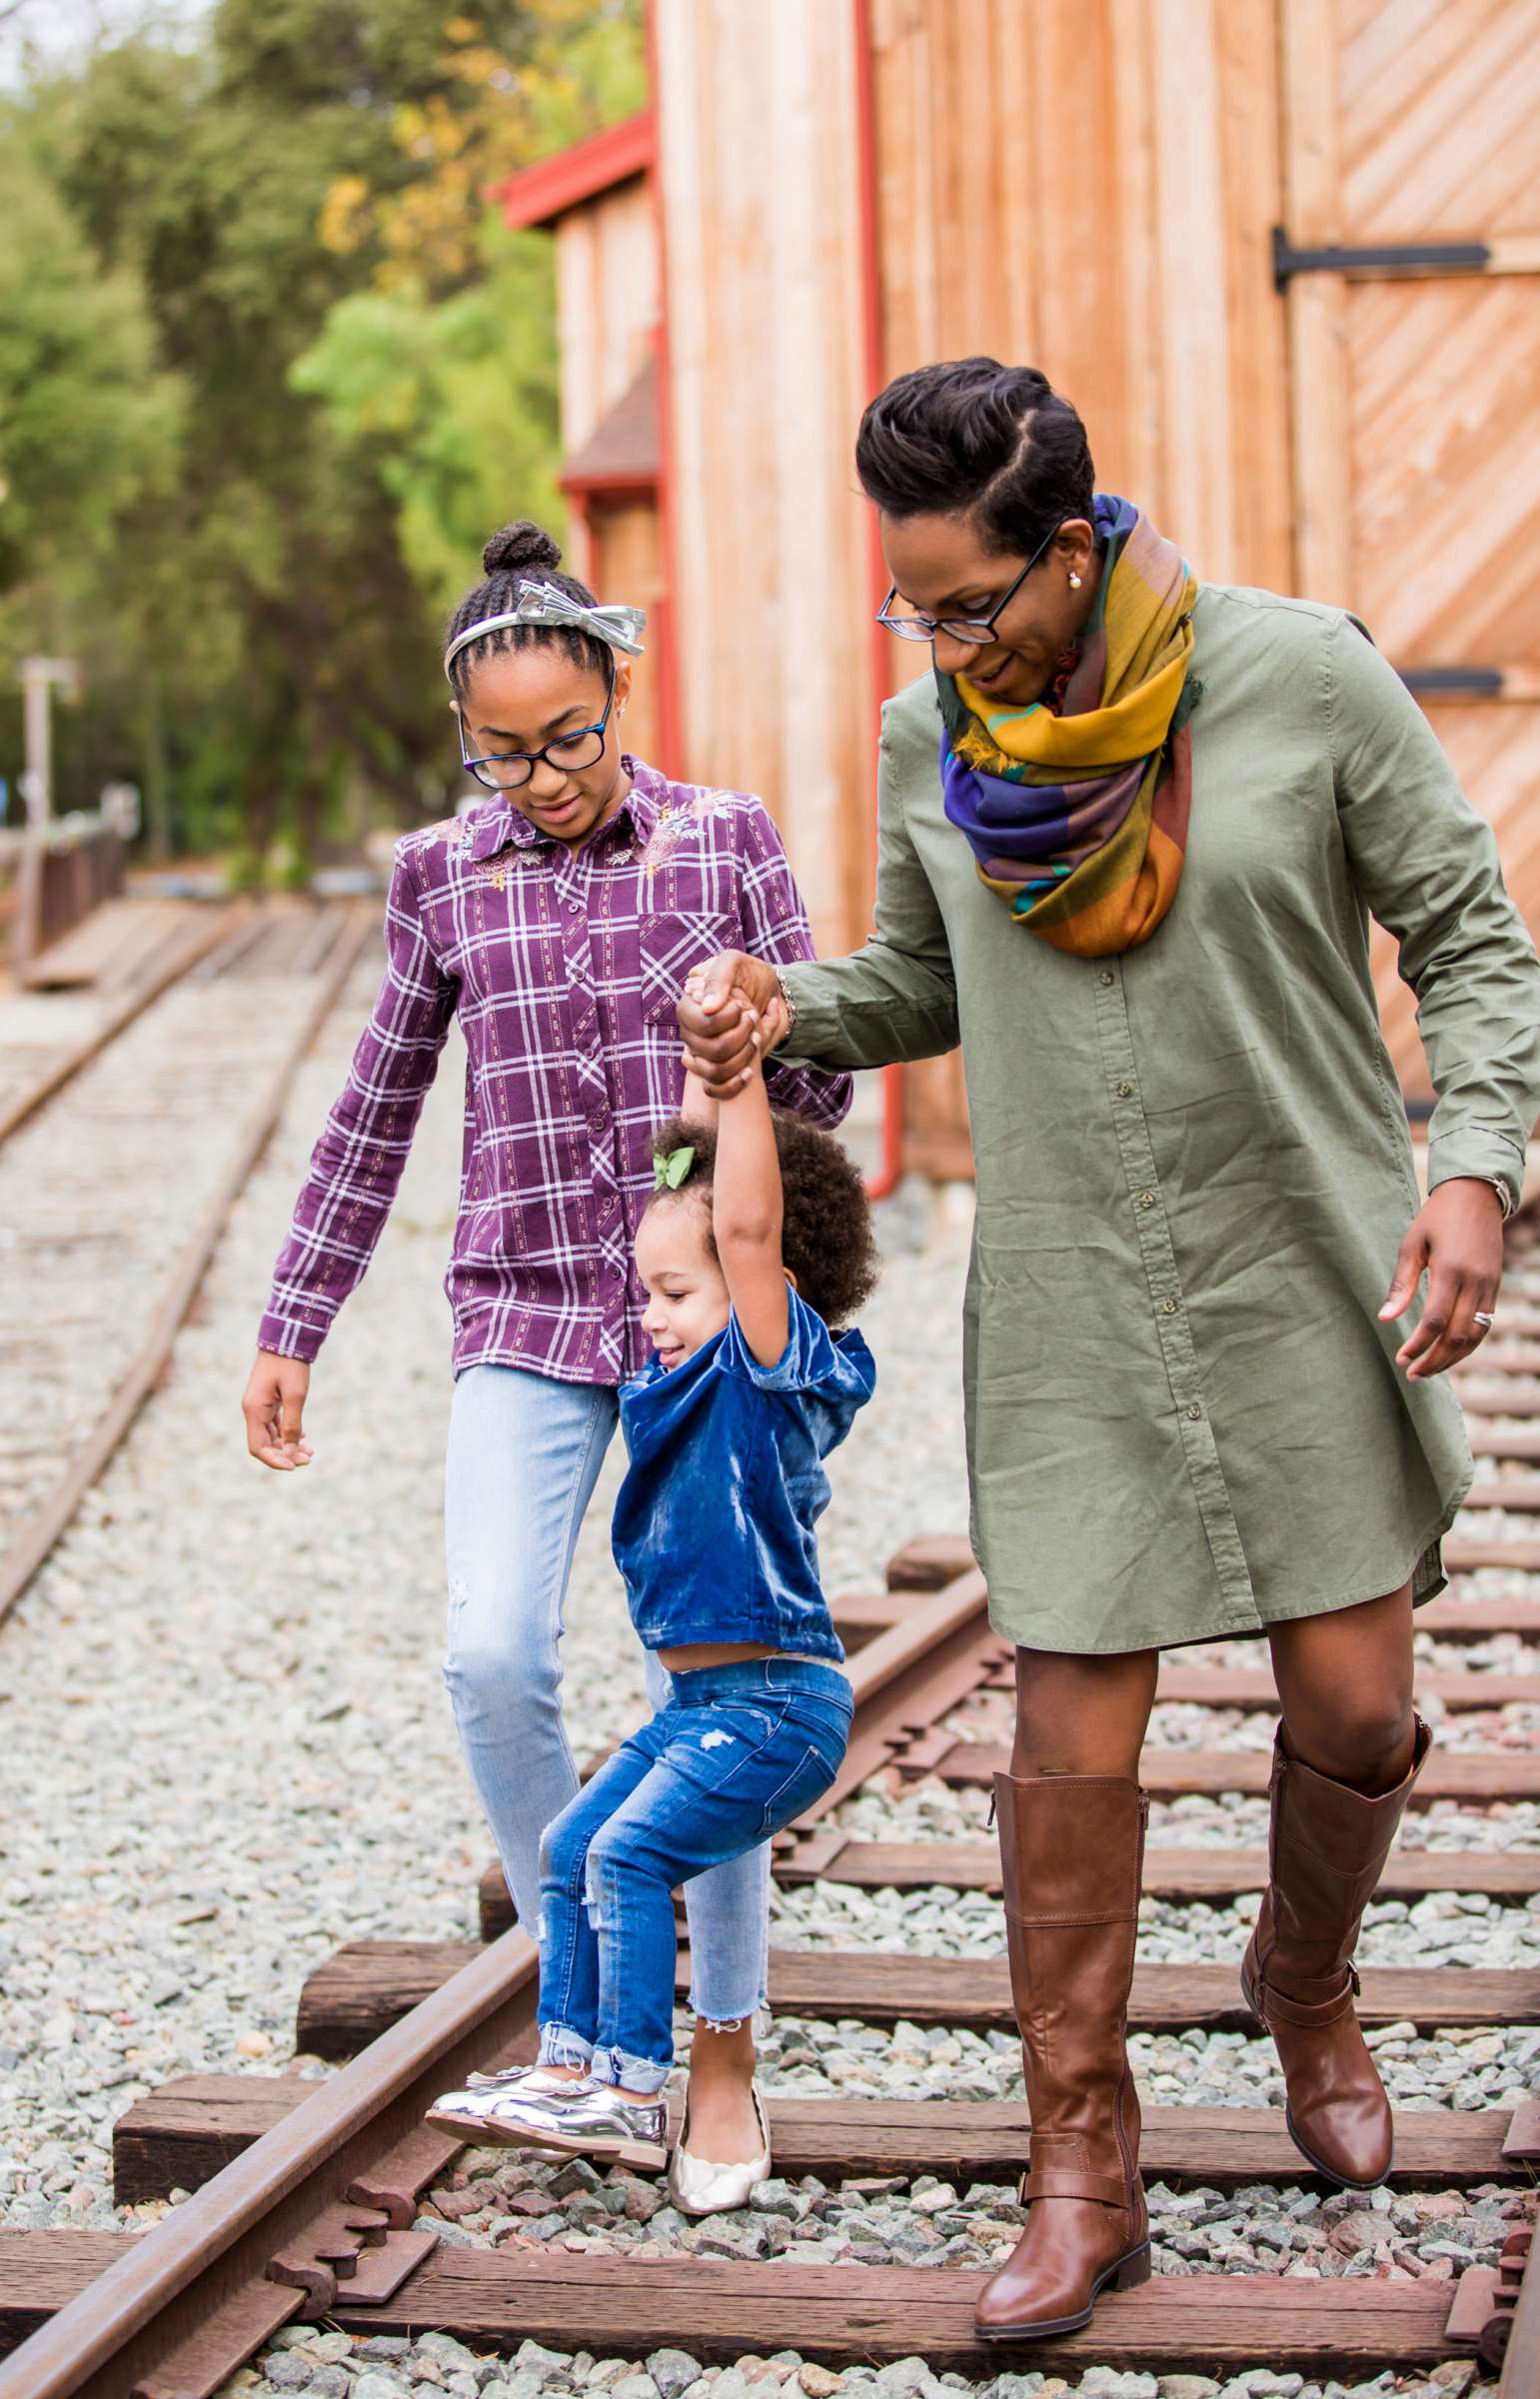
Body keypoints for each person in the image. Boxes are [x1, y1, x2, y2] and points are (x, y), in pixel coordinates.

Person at [678, 359, 1540, 2340]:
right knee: (1067, 1734)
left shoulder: (1298, 679)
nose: (940, 641)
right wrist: (772, 1008)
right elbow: (912, 980)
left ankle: (1297, 1985)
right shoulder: (929, 739)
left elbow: (1470, 935)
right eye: (914, 608)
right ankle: (1082, 2161)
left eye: (970, 603)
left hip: (1296, 1264)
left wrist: (1475, 1168)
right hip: (1069, 1294)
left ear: (1069, 552)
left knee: (1347, 1713)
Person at [242, 520, 851, 2200]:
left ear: (617, 695)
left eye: (566, 739)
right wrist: (294, 1319)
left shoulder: (725, 839)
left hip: (699, 1337)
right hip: (518, 1311)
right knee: (490, 1655)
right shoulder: (442, 875)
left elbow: (825, 1105)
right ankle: (588, 2006)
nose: (542, 777)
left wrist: (756, 1041)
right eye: (501, 753)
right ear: (468, 745)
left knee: (706, 1692)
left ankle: (717, 2047)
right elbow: (374, 1110)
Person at [428, 1007, 877, 2201]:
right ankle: (570, 2065)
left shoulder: (767, 1374)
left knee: (626, 1855)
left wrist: (738, 1089)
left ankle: (630, 2087)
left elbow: (738, 1220)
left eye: (675, 1291)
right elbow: (695, 1198)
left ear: (756, 1283)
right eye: (648, 1292)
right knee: (570, 1843)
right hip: (703, 1706)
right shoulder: (688, 1375)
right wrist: (696, 1087)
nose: (651, 1313)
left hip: (778, 1705)